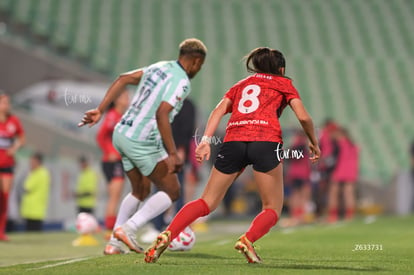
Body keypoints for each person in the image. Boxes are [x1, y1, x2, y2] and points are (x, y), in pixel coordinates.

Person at [144, 47, 320, 264]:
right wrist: (313, 141)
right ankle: (248, 239)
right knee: (272, 207)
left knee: (206, 201)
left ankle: (168, 234)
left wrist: (205, 141)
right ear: (281, 69)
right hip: (266, 141)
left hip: (233, 141)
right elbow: (303, 117)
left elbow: (217, 111)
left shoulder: (241, 85)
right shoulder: (284, 83)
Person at [78, 38, 207, 255]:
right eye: (200, 65)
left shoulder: (158, 67)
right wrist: (173, 153)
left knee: (140, 190)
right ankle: (128, 229)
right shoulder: (182, 81)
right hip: (142, 138)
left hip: (122, 133)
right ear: (195, 61)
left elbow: (123, 79)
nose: (198, 69)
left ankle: (113, 244)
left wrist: (100, 109)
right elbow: (162, 113)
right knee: (172, 190)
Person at [96, 90, 129, 232]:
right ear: (116, 100)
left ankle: (111, 226)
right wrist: (110, 152)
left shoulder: (123, 116)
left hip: (119, 161)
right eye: (124, 96)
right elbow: (101, 136)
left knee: (115, 196)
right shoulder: (113, 116)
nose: (128, 99)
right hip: (112, 161)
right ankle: (110, 229)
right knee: (114, 196)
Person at [0, 93, 25, 241]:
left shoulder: (13, 120)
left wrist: (14, 148)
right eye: (3, 102)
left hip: (7, 164)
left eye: (8, 103)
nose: (6, 105)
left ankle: (1, 231)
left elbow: (22, 138)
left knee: (4, 198)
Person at [327, 127, 359, 222]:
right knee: (348, 194)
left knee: (333, 193)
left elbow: (333, 159)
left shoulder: (338, 144)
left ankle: (333, 215)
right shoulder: (353, 145)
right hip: (351, 172)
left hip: (339, 170)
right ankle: (350, 215)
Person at [20, 152, 50, 232]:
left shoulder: (38, 173)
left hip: (34, 210)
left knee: (33, 233)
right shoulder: (44, 172)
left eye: (32, 161)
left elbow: (27, 187)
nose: (30, 164)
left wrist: (30, 174)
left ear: (38, 161)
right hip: (34, 209)